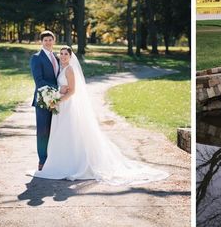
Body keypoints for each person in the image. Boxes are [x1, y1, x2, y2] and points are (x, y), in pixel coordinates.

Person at [31, 45, 169, 185]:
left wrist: (57, 101)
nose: (63, 56)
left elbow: (72, 91)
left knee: (69, 133)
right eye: (61, 54)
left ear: (71, 56)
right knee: (61, 134)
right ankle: (60, 162)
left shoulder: (70, 70)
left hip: (66, 106)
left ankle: (73, 163)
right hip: (61, 107)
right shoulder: (61, 68)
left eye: (66, 54)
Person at [30, 31, 59, 171]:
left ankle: (54, 159)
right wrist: (58, 90)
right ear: (41, 42)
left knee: (55, 130)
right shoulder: (36, 58)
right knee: (43, 130)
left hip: (58, 100)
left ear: (54, 41)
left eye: (50, 39)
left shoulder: (57, 57)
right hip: (43, 99)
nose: (48, 42)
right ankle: (42, 160)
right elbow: (39, 80)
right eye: (45, 40)